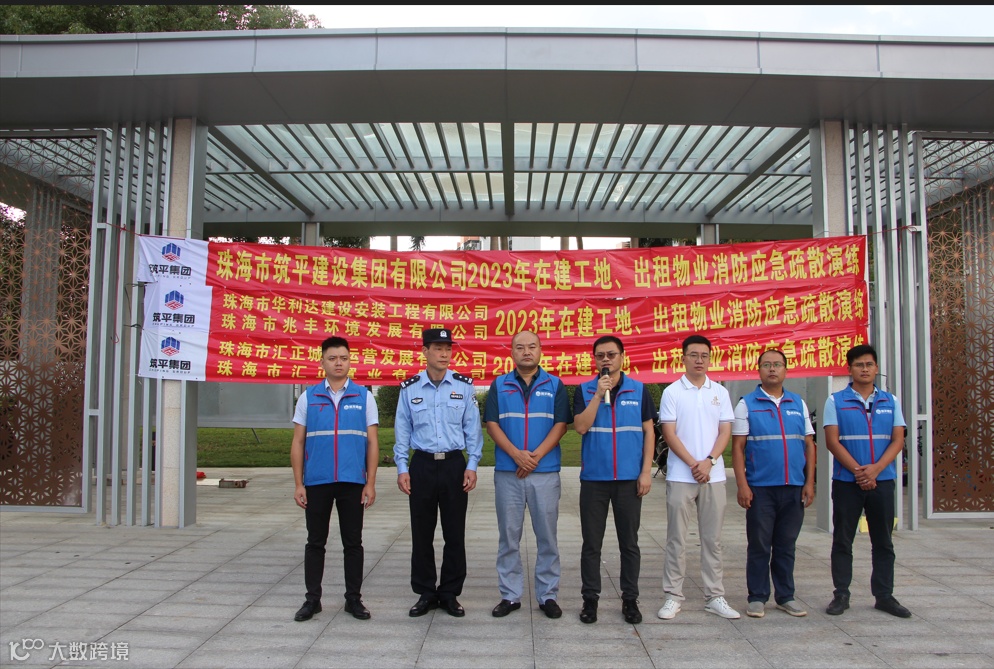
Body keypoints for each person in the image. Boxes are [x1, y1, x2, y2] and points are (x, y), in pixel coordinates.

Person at [394, 327, 484, 618]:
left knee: (454, 532)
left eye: (448, 349)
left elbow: (472, 429)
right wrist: (402, 468)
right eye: (438, 349)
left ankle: (449, 593)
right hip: (421, 464)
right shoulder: (410, 388)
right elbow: (402, 431)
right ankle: (425, 592)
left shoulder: (463, 386)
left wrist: (472, 465)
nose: (444, 354)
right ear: (425, 352)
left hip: (454, 465)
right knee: (421, 532)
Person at [291, 336, 379, 622]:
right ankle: (312, 600)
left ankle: (353, 599)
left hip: (352, 482)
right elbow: (298, 442)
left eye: (343, 358)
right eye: (332, 358)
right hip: (317, 482)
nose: (338, 363)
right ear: (322, 362)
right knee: (315, 542)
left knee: (353, 543)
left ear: (350, 361)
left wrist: (370, 483)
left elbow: (373, 443)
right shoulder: (308, 397)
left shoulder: (364, 397)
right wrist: (299, 483)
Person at [485, 331, 571, 619]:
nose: (526, 352)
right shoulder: (499, 385)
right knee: (509, 537)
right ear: (511, 352)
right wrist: (516, 455)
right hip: (508, 473)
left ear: (540, 350)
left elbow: (561, 425)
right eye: (520, 347)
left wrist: (534, 458)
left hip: (544, 472)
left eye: (532, 346)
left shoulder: (555, 384)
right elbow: (492, 425)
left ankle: (548, 595)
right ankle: (510, 595)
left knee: (547, 537)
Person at [572, 335, 656, 624]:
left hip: (629, 480)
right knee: (591, 544)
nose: (605, 359)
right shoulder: (584, 390)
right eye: (600, 356)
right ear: (594, 360)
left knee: (629, 544)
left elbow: (649, 432)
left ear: (622, 357)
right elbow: (580, 427)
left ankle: (630, 600)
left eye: (611, 354)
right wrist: (598, 395)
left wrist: (645, 472)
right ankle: (590, 600)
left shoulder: (639, 390)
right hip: (594, 480)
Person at [823, 344, 911, 618]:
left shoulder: (890, 401)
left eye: (869, 364)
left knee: (883, 541)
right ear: (849, 369)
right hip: (847, 482)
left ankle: (884, 596)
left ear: (876, 368)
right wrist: (860, 472)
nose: (864, 369)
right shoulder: (835, 401)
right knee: (842, 540)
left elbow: (898, 440)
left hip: (882, 481)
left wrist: (875, 470)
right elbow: (832, 441)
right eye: (859, 365)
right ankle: (841, 594)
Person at [658, 334, 740, 621]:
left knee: (712, 539)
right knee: (676, 539)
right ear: (683, 358)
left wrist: (709, 462)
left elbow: (725, 431)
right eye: (693, 355)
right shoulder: (672, 392)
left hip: (713, 476)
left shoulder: (720, 392)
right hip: (682, 475)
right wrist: (694, 464)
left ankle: (714, 596)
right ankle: (673, 596)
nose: (699, 360)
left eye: (704, 355)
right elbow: (669, 433)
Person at [731, 349, 816, 618]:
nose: (772, 369)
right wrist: (742, 485)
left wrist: (809, 482)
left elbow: (809, 445)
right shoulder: (746, 404)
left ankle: (785, 596)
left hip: (793, 487)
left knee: (786, 544)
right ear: (758, 370)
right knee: (759, 544)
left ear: (786, 370)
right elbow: (738, 447)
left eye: (777, 364)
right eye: (766, 364)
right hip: (761, 489)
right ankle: (757, 596)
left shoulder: (798, 403)